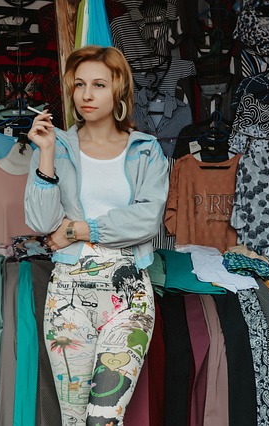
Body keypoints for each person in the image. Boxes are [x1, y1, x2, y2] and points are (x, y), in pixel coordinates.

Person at [24, 45, 169, 425]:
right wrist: (46, 154)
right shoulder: (57, 147)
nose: (87, 95)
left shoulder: (146, 151)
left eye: (99, 85)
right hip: (67, 298)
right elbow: (41, 221)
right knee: (73, 420)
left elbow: (147, 220)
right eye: (80, 84)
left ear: (119, 90)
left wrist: (77, 229)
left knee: (103, 418)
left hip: (129, 298)